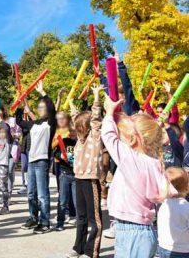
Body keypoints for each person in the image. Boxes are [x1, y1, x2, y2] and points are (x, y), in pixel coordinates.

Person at [101, 96, 177, 258]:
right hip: (140, 231)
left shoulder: (132, 159)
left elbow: (109, 137)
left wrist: (108, 114)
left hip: (132, 233)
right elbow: (170, 191)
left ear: (134, 139)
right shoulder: (154, 163)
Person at [67, 85, 104, 258]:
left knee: (94, 219)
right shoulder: (79, 140)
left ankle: (91, 251)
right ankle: (78, 247)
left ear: (86, 126)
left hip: (91, 180)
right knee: (81, 216)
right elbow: (75, 116)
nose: (75, 127)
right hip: (79, 179)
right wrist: (71, 102)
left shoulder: (94, 136)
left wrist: (96, 96)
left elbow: (95, 118)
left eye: (78, 125)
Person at [16, 80, 56, 234]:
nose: (41, 109)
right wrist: (19, 105)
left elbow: (52, 108)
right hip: (31, 161)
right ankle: (33, 218)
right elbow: (19, 121)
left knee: (42, 194)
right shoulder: (34, 124)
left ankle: (45, 222)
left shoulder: (50, 123)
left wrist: (43, 93)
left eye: (43, 106)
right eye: (39, 107)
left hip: (42, 161)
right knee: (31, 193)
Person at [52, 111, 77, 231]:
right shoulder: (64, 141)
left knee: (76, 200)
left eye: (74, 131)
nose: (72, 134)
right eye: (71, 131)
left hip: (76, 175)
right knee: (62, 200)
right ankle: (60, 222)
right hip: (64, 173)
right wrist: (60, 155)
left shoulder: (79, 143)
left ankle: (76, 218)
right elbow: (55, 152)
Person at [157, 167, 189, 258]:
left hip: (163, 247)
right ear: (187, 187)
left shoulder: (164, 205)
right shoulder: (186, 207)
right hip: (183, 250)